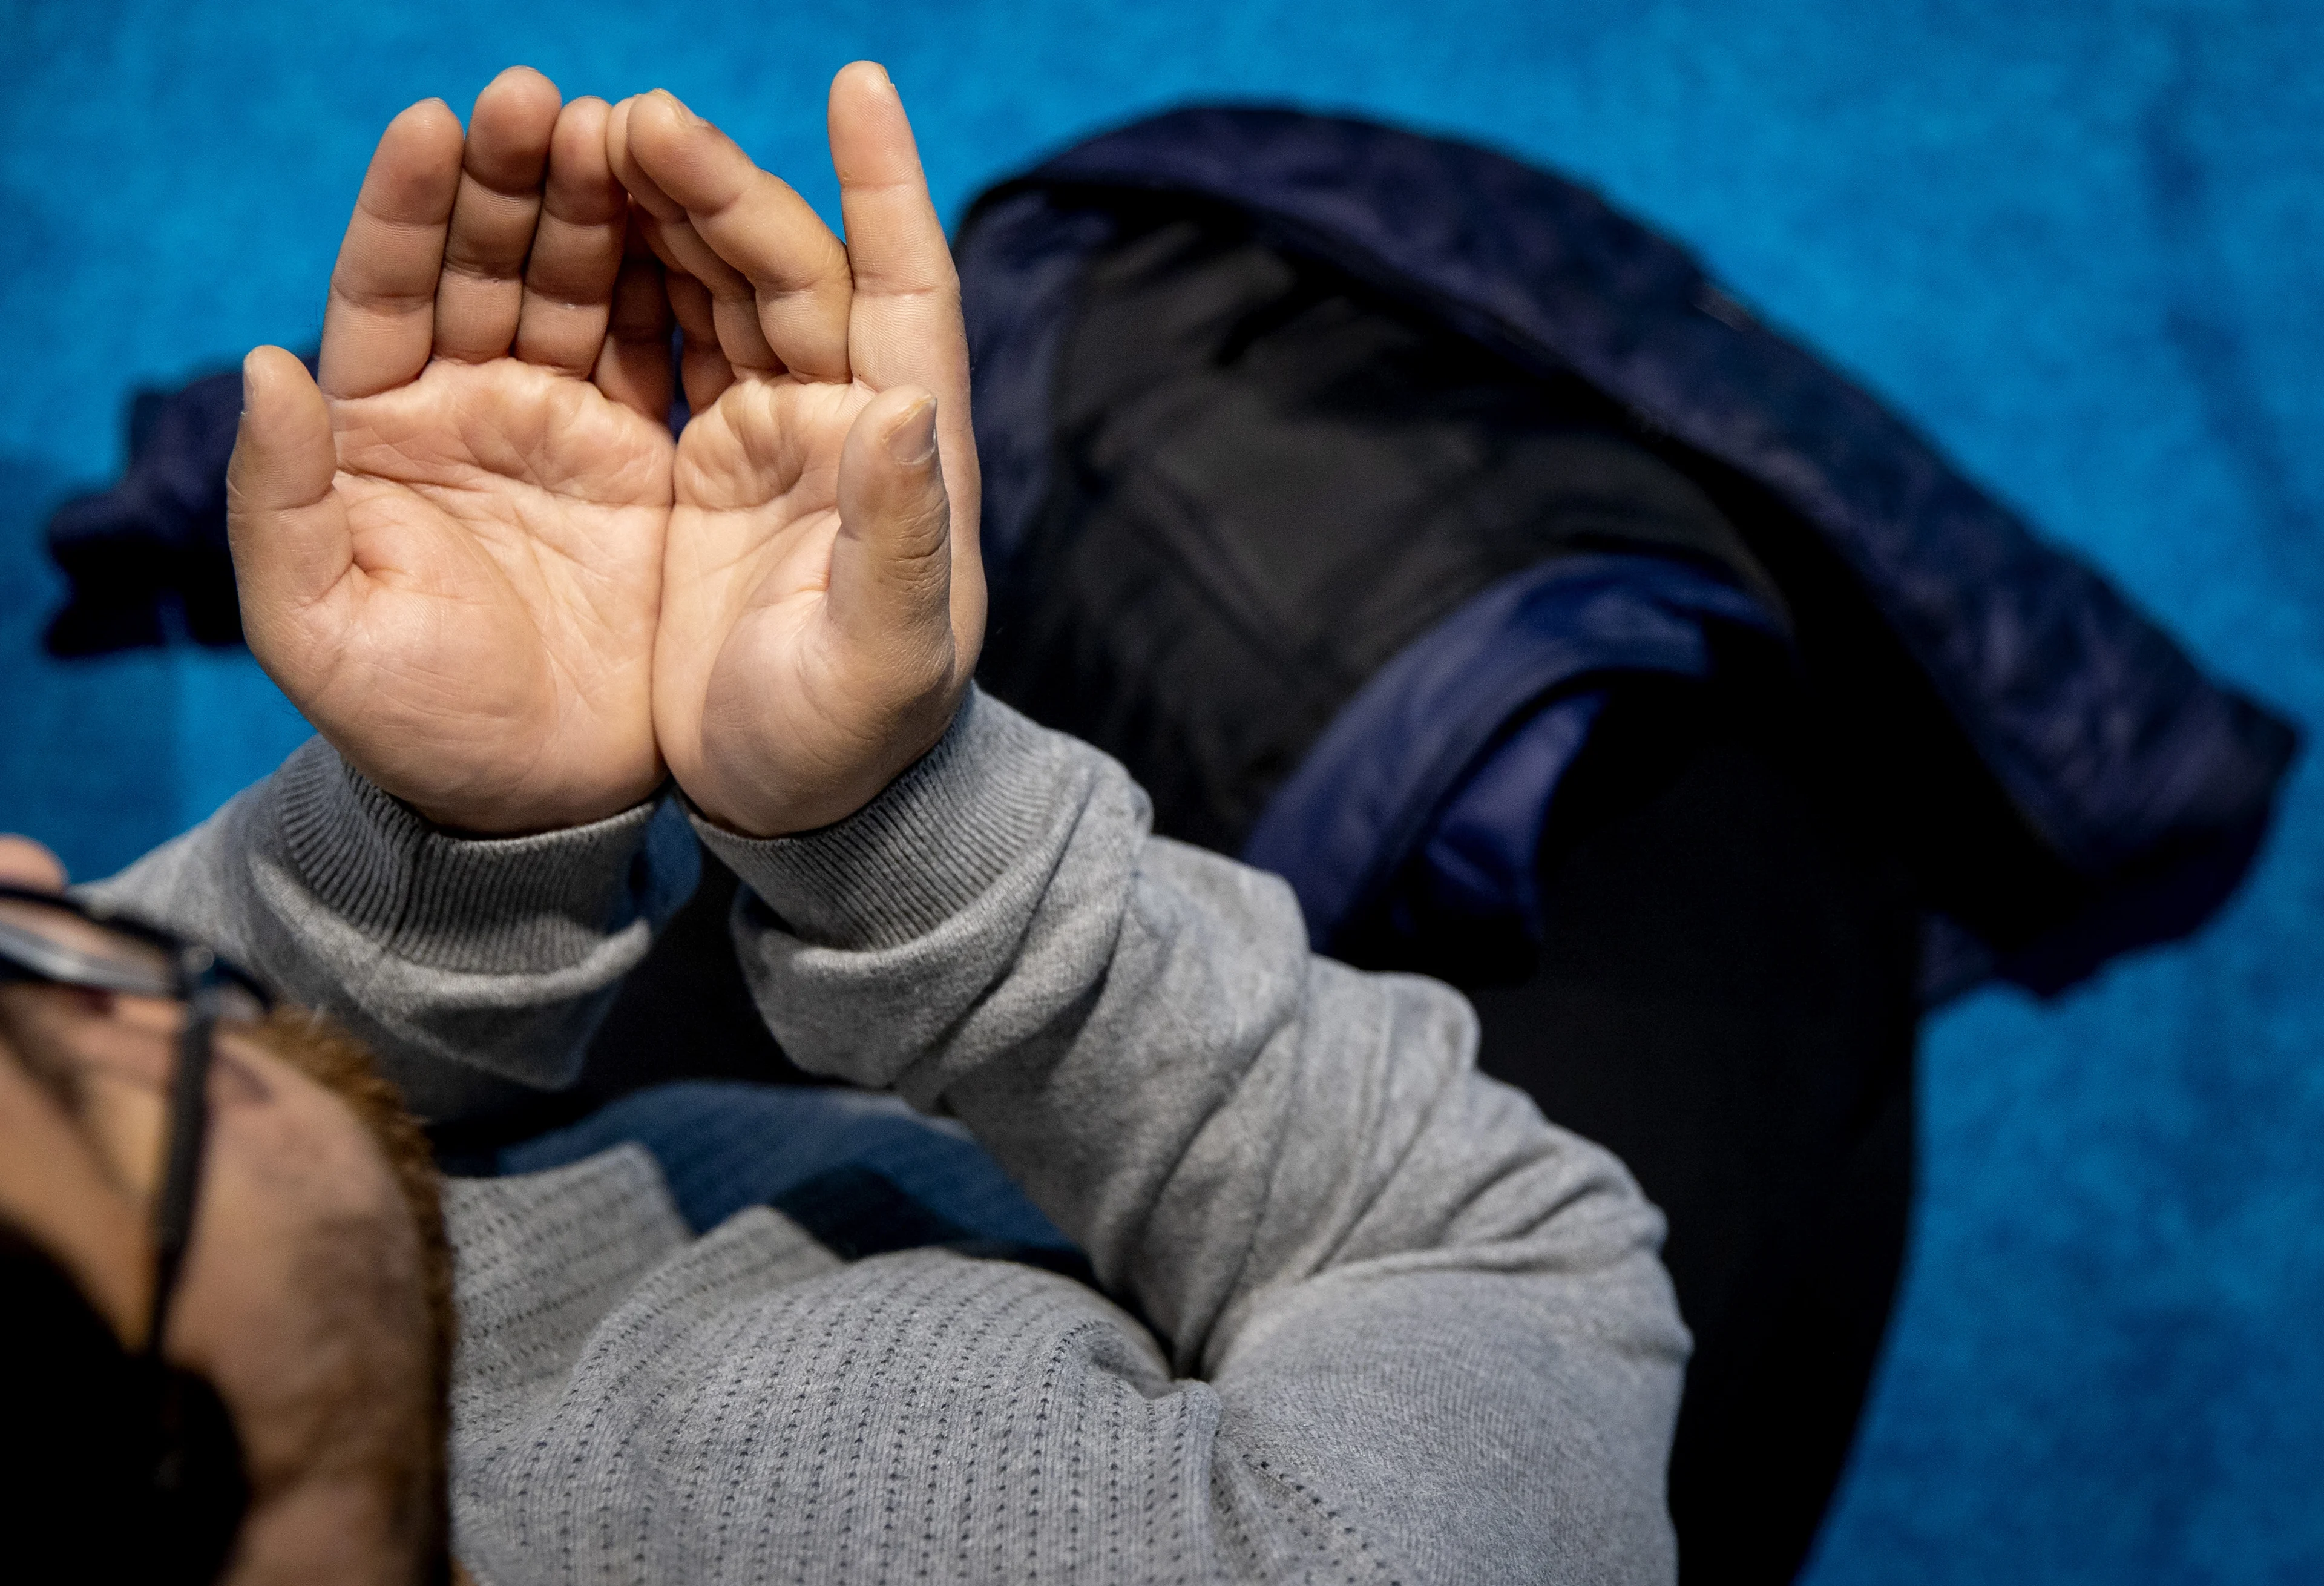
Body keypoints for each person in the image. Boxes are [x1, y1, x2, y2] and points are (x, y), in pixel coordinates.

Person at [0, 63, 1689, 1584]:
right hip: (1431, 1309)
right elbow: (1507, 1242)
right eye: (63, 1055)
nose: (20, 874)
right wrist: (918, 827)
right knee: (1653, 779)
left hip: (707, 1190)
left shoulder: (184, 1289)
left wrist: (460, 837)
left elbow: (232, 1131)